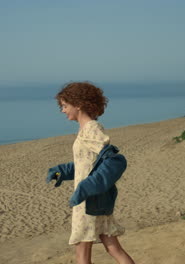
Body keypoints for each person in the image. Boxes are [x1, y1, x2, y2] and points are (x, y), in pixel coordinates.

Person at [46, 81, 135, 264]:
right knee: (113, 248)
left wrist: (87, 187)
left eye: (64, 105)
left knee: (82, 255)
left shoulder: (91, 129)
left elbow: (113, 161)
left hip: (87, 202)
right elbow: (89, 163)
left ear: (78, 104)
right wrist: (61, 172)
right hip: (96, 198)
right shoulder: (86, 129)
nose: (62, 110)